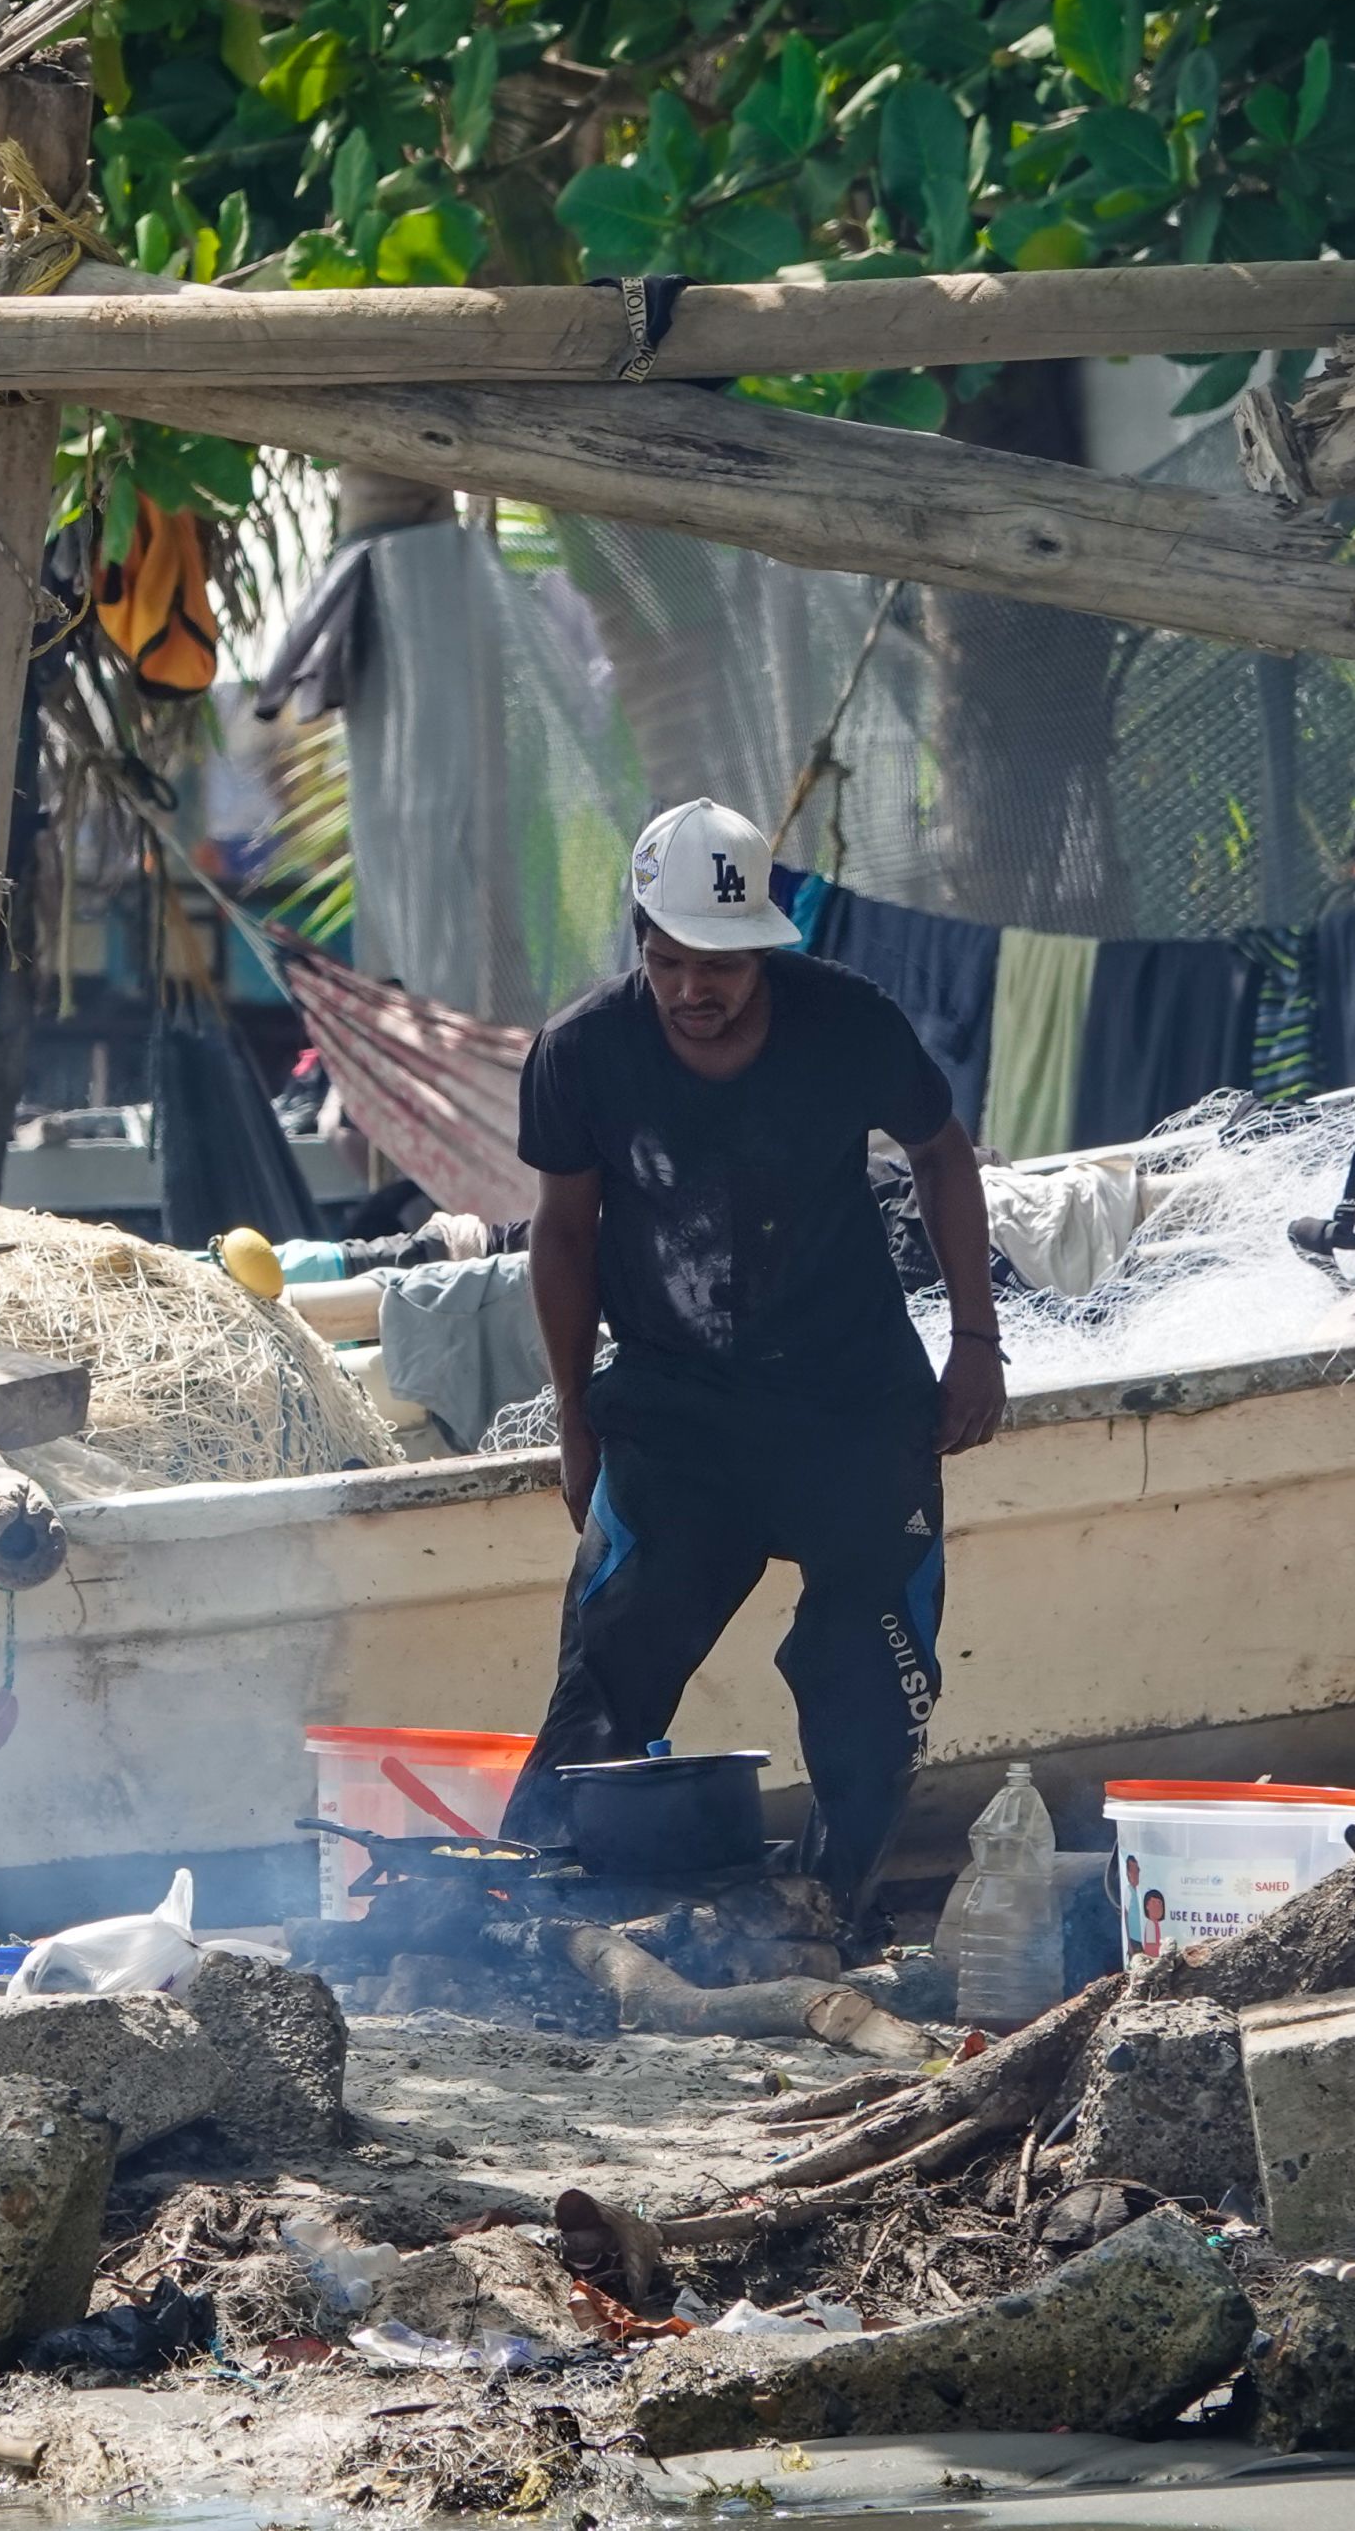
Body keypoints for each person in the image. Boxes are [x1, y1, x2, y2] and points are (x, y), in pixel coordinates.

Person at [500, 798, 1005, 1920]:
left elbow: (941, 1153)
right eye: (670, 960)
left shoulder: (848, 1022)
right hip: (675, 1413)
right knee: (610, 1668)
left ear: (764, 945)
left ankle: (835, 1905)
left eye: (721, 963)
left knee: (866, 1674)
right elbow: (563, 1234)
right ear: (640, 944)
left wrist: (975, 1339)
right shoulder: (581, 1053)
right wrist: (576, 1418)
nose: (695, 988)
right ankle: (534, 1916)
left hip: (853, 1401)